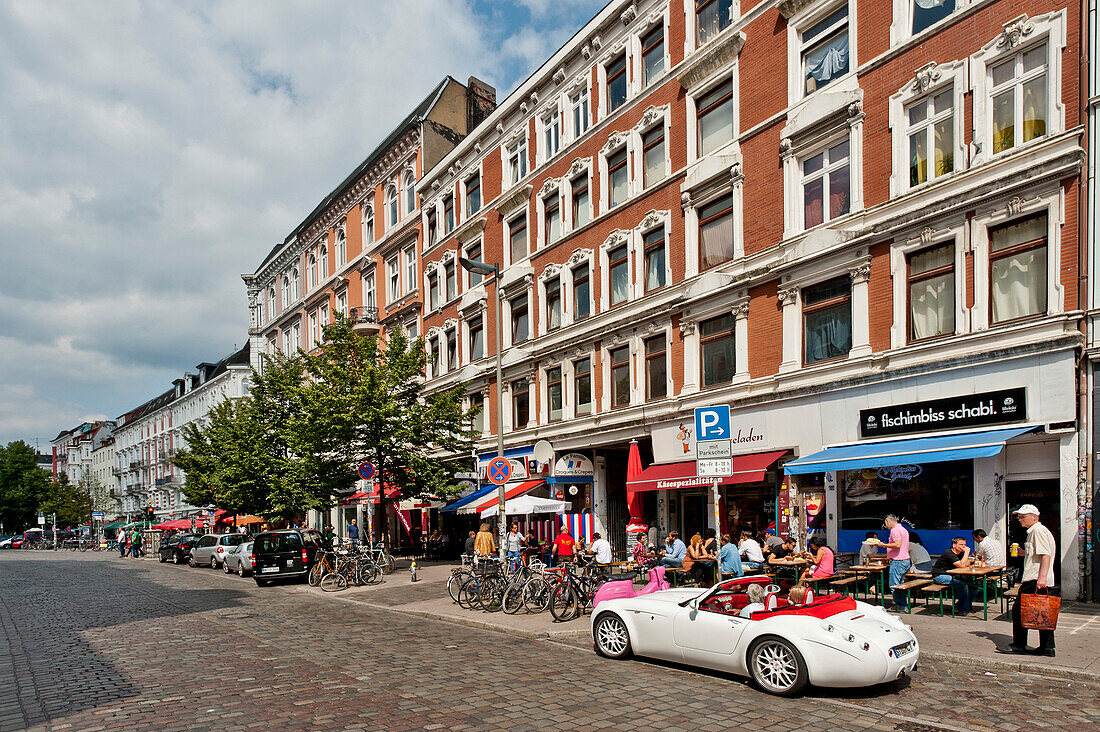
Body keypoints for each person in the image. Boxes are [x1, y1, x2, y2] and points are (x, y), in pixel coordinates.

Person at [999, 505, 1058, 656]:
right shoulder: (1036, 531)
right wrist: (1024, 553)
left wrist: (1042, 577)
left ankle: (1019, 645)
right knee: (1042, 613)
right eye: (1019, 517)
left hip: (1035, 578)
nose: (1020, 519)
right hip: (1037, 578)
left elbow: (1045, 555)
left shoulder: (1038, 531)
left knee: (1019, 611)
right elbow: (1038, 554)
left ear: (1034, 517)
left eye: (1023, 516)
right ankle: (1047, 647)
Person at [930, 536, 974, 614]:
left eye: (965, 545)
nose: (964, 547)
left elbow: (967, 562)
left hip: (952, 574)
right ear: (954, 545)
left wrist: (964, 561)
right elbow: (962, 565)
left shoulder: (961, 553)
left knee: (973, 585)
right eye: (961, 545)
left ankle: (959, 605)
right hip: (940, 575)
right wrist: (967, 553)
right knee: (963, 584)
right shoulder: (949, 553)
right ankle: (963, 610)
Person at [879, 514, 912, 612]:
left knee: (894, 585)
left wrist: (883, 545)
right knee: (900, 584)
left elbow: (897, 545)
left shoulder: (895, 530)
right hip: (905, 560)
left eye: (886, 523)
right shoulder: (903, 529)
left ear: (887, 521)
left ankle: (900, 605)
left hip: (898, 561)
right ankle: (902, 605)